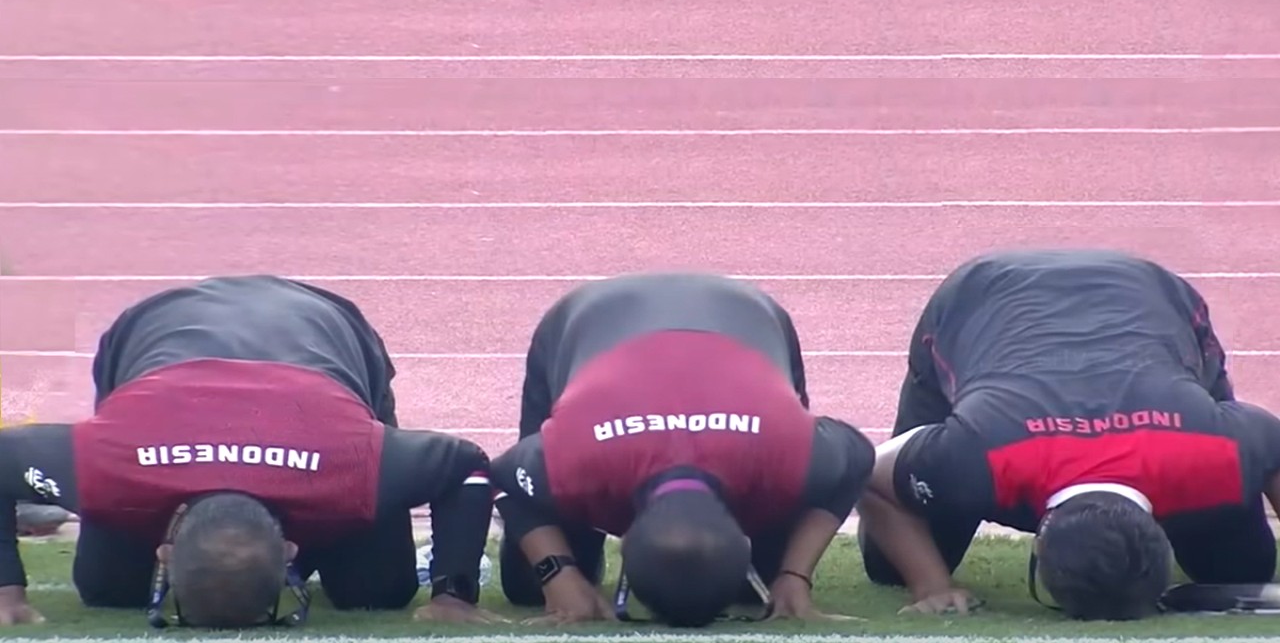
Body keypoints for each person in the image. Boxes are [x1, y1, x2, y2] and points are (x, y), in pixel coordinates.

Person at [0, 275, 501, 628]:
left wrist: (453, 591)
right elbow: (467, 465)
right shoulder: (108, 464)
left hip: (323, 326)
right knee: (107, 587)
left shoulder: (353, 463)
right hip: (160, 332)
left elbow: (465, 465)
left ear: (165, 552)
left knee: (377, 589)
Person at [857, 249, 1280, 621]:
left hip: (1141, 295)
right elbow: (873, 474)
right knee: (891, 566)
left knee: (1239, 570)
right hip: (981, 297)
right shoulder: (976, 460)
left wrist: (933, 588)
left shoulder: (1213, 452)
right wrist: (930, 585)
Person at [488, 272, 875, 627]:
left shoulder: (783, 454)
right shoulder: (579, 460)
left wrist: (793, 576)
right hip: (589, 320)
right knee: (529, 586)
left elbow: (858, 455)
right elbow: (506, 475)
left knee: (766, 576)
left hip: (741, 320)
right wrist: (559, 574)